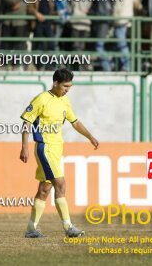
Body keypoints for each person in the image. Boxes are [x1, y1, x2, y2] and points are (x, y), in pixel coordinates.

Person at [20, 68, 99, 238]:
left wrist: (90, 136)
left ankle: (31, 229)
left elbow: (75, 122)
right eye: (65, 86)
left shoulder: (64, 101)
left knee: (44, 189)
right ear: (55, 83)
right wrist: (25, 146)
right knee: (61, 184)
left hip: (56, 149)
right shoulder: (42, 99)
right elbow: (27, 122)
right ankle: (68, 227)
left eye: (70, 86)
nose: (67, 89)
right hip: (45, 147)